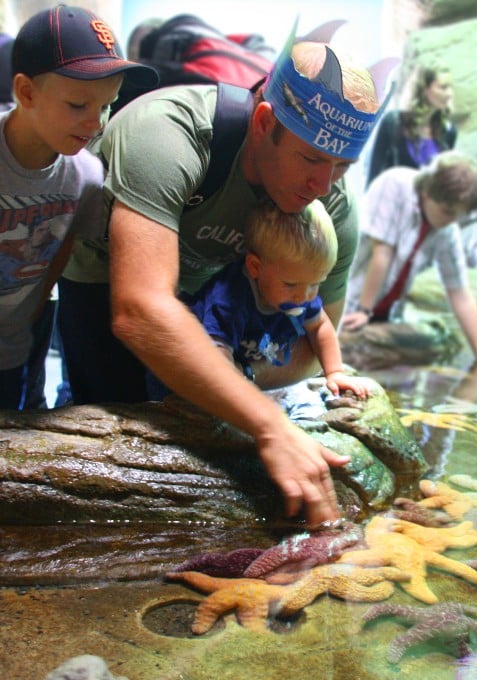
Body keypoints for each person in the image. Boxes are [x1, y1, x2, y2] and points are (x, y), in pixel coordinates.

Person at [57, 25, 393, 526]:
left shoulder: (331, 207)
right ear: (263, 122)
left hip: (206, 294)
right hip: (105, 279)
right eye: (310, 157)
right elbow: (139, 311)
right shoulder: (169, 133)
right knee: (115, 412)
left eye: (342, 166)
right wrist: (269, 427)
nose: (322, 186)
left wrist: (230, 375)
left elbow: (314, 336)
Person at [0, 5, 156, 410]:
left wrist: (29, 313)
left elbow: (64, 245)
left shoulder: (86, 176)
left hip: (11, 343)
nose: (97, 123)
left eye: (106, 106)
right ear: (26, 92)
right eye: (78, 105)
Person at [149, 198, 369, 400]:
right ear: (255, 267)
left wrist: (335, 372)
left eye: (315, 284)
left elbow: (320, 327)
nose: (304, 296)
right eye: (290, 284)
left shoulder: (300, 292)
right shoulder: (228, 301)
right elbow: (214, 353)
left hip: (233, 365)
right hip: (176, 373)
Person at [341, 150, 477, 367]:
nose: (452, 220)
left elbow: (460, 294)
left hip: (389, 315)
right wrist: (364, 311)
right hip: (350, 306)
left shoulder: (447, 227)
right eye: (448, 211)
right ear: (428, 193)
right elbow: (382, 252)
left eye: (459, 215)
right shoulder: (395, 184)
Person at [365, 65, 457, 187]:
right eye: (443, 87)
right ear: (425, 89)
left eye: (451, 87)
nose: (449, 94)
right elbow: (374, 176)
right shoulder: (392, 123)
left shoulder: (448, 132)